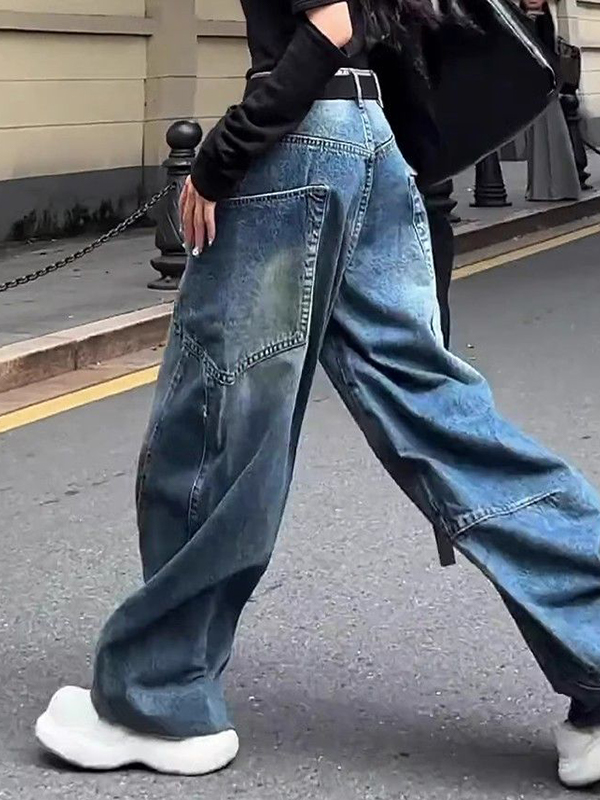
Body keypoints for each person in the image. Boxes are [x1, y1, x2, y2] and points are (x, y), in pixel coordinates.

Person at [35, 0, 600, 789]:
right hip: (371, 140)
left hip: (297, 139)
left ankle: (159, 697)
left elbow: (332, 18)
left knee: (215, 429)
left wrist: (223, 155)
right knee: (437, 414)